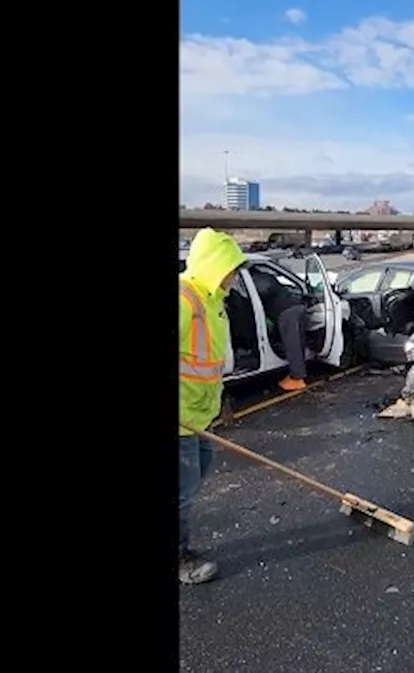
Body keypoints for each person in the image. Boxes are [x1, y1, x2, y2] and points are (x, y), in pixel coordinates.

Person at [178, 227, 246, 585]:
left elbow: (208, 361)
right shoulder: (185, 298)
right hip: (180, 420)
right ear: (212, 265)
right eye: (230, 269)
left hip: (199, 415)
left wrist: (220, 403)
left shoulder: (213, 302)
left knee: (198, 475)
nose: (234, 276)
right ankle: (181, 559)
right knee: (182, 491)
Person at [249, 269, 310, 391]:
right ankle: (297, 373)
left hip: (286, 312)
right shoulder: (265, 275)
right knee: (298, 342)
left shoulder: (253, 281)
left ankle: (297, 379)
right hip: (296, 306)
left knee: (293, 344)